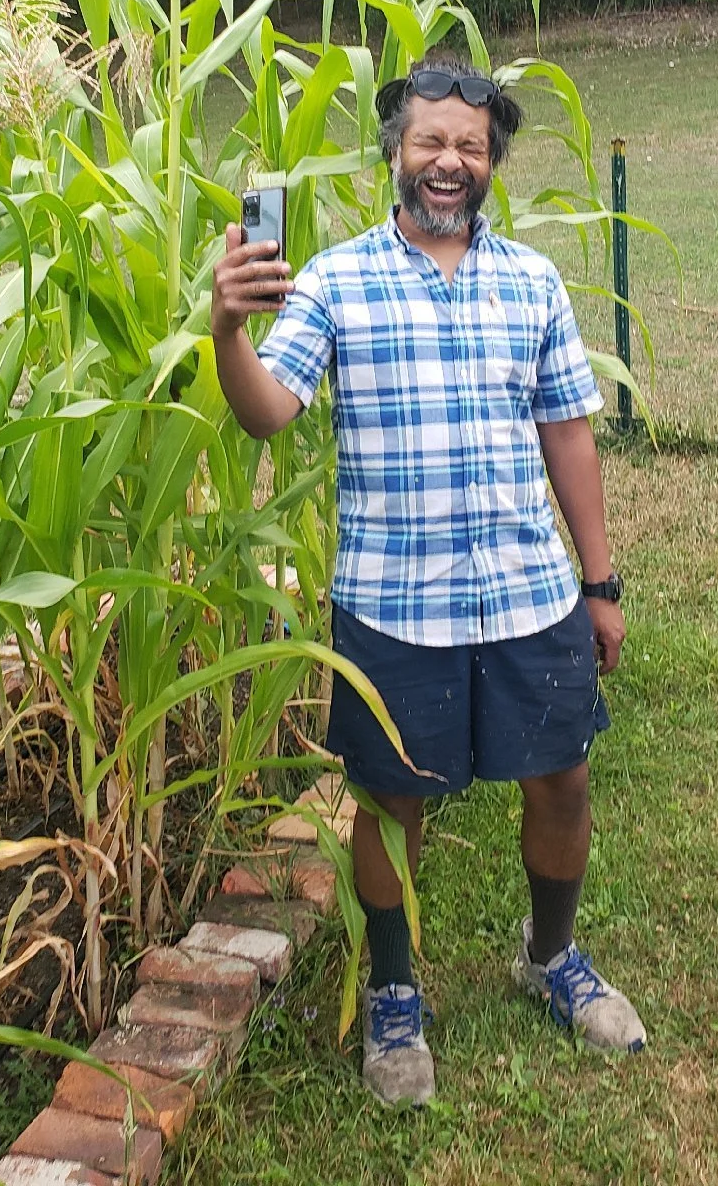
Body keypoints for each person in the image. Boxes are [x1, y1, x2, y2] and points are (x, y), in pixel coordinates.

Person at [209, 53, 645, 1107]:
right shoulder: (336, 280)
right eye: (429, 141)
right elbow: (267, 410)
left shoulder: (531, 280)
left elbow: (568, 432)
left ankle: (549, 955)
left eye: (470, 145)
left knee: (564, 779)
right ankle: (396, 990)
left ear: (490, 160)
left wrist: (601, 581)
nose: (449, 162)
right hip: (395, 604)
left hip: (527, 590)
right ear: (395, 152)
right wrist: (226, 325)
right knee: (392, 803)